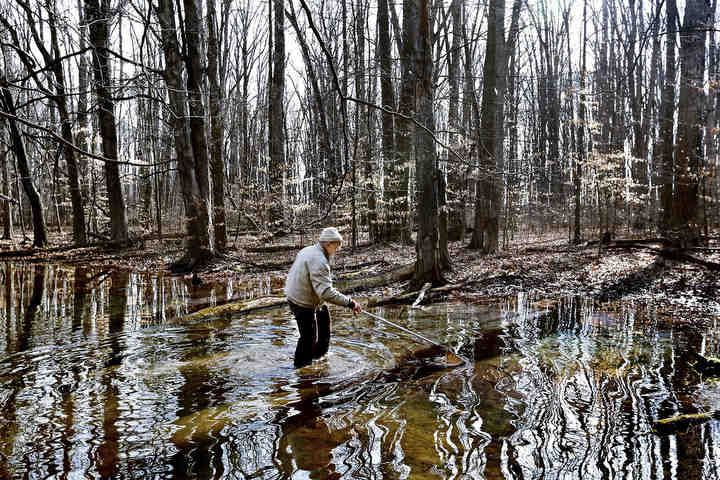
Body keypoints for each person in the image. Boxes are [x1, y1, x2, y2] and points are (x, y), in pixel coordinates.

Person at [284, 227, 362, 368]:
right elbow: (326, 293)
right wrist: (350, 303)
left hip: (304, 294)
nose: (336, 250)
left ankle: (320, 356)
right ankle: (302, 370)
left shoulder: (309, 250)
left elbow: (321, 288)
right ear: (328, 244)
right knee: (308, 337)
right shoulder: (319, 260)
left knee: (324, 321)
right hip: (300, 300)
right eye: (336, 246)